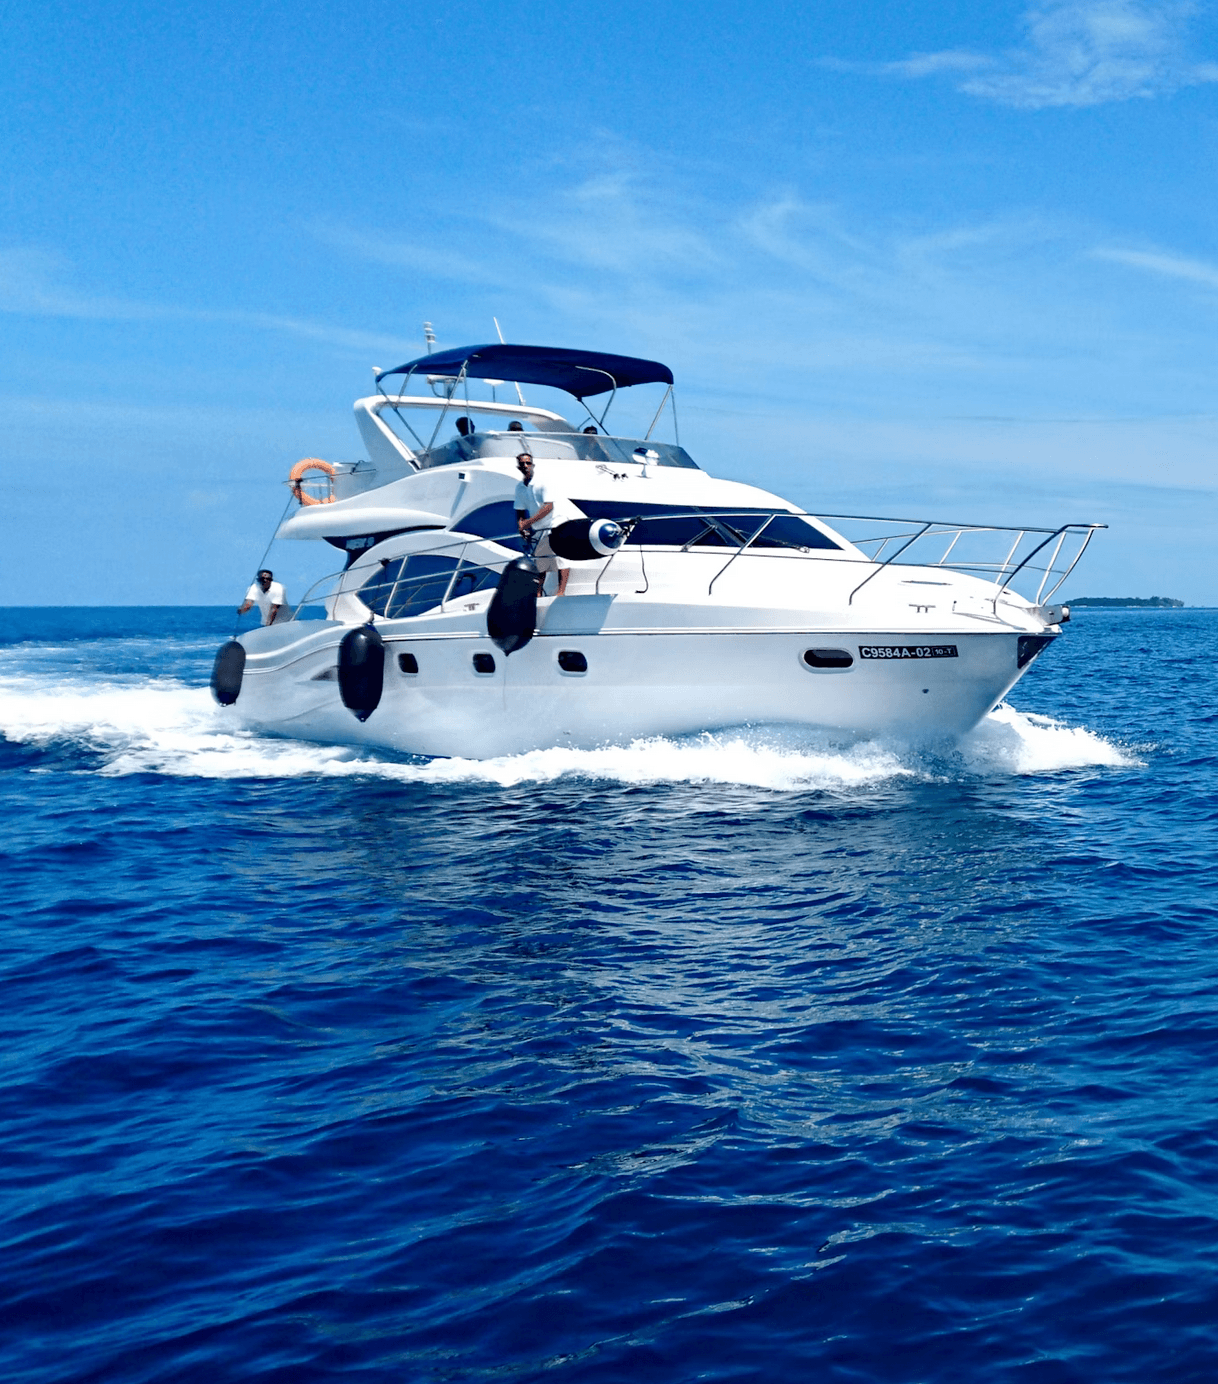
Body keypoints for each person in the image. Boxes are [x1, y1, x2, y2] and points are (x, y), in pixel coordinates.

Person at [515, 453, 582, 597]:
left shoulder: (542, 483)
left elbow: (548, 507)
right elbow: (519, 510)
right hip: (539, 528)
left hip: (554, 523)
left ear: (533, 465)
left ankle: (561, 592)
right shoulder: (520, 488)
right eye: (522, 464)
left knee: (560, 558)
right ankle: (538, 593)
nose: (525, 466)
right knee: (540, 562)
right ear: (518, 467)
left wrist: (528, 523)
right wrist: (521, 525)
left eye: (528, 463)